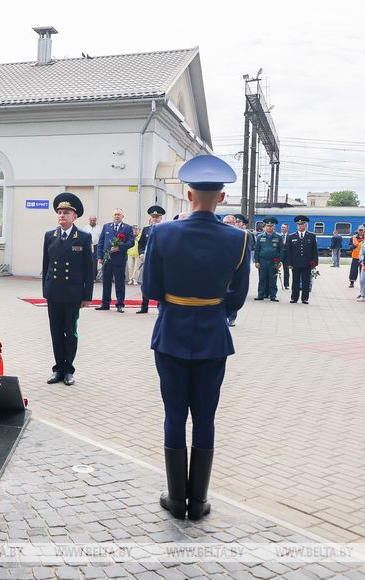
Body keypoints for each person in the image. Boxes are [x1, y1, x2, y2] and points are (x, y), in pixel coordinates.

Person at [142, 154, 249, 521]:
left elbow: (152, 287)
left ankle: (176, 500)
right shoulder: (238, 238)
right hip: (213, 336)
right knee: (205, 417)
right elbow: (237, 296)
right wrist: (214, 310)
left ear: (188, 195)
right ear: (221, 197)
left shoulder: (162, 232)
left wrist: (177, 305)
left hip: (171, 333)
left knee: (174, 414)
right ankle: (198, 502)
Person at [43, 193, 93, 386]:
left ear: (74, 216)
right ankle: (57, 369)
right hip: (54, 293)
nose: (62, 215)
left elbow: (89, 270)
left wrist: (86, 296)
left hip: (72, 294)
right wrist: (45, 291)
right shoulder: (50, 236)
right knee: (55, 332)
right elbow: (46, 265)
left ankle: (69, 369)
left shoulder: (83, 237)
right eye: (60, 212)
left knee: (70, 332)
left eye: (66, 213)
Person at [96, 208, 134, 312]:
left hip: (119, 260)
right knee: (106, 282)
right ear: (113, 216)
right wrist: (99, 257)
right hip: (107, 259)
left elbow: (131, 242)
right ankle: (105, 303)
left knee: (120, 283)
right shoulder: (106, 227)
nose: (117, 216)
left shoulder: (127, 228)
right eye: (115, 214)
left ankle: (120, 304)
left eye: (119, 214)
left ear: (122, 216)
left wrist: (120, 247)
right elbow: (101, 242)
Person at [136, 206, 165, 313]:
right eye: (153, 217)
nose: (155, 219)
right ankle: (144, 307)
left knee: (159, 283)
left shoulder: (165, 229)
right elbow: (141, 244)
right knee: (145, 283)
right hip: (147, 260)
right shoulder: (146, 229)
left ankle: (159, 307)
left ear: (161, 218)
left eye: (157, 217)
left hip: (160, 261)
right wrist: (141, 253)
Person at [286, 215, 319, 304]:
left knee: (306, 281)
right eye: (299, 225)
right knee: (295, 281)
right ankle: (294, 298)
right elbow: (288, 251)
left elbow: (314, 251)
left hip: (307, 263)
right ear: (297, 226)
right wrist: (289, 263)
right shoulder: (291, 236)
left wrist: (314, 263)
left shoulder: (311, 236)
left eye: (302, 224)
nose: (301, 226)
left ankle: (305, 298)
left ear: (305, 225)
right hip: (295, 263)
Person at [253, 217, 284, 302]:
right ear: (265, 227)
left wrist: (280, 261)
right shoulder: (260, 237)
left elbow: (281, 250)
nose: (269, 228)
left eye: (271, 226)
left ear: (274, 227)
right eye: (267, 226)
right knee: (262, 278)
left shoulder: (278, 237)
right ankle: (261, 295)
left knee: (273, 279)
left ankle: (273, 296)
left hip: (274, 261)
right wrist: (256, 261)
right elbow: (257, 250)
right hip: (262, 261)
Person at [87, 215, 102, 280]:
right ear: (89, 220)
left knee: (95, 261)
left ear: (96, 220)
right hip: (88, 245)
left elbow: (101, 237)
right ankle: (88, 276)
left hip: (97, 245)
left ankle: (94, 277)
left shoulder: (99, 228)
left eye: (94, 220)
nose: (92, 221)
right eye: (91, 220)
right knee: (89, 260)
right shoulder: (86, 227)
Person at [279, 223, 291, 289]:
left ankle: (286, 285)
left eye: (284, 227)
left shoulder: (290, 237)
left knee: (286, 271)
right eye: (282, 227)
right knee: (275, 270)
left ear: (287, 228)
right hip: (279, 256)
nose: (282, 228)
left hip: (286, 256)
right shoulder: (278, 236)